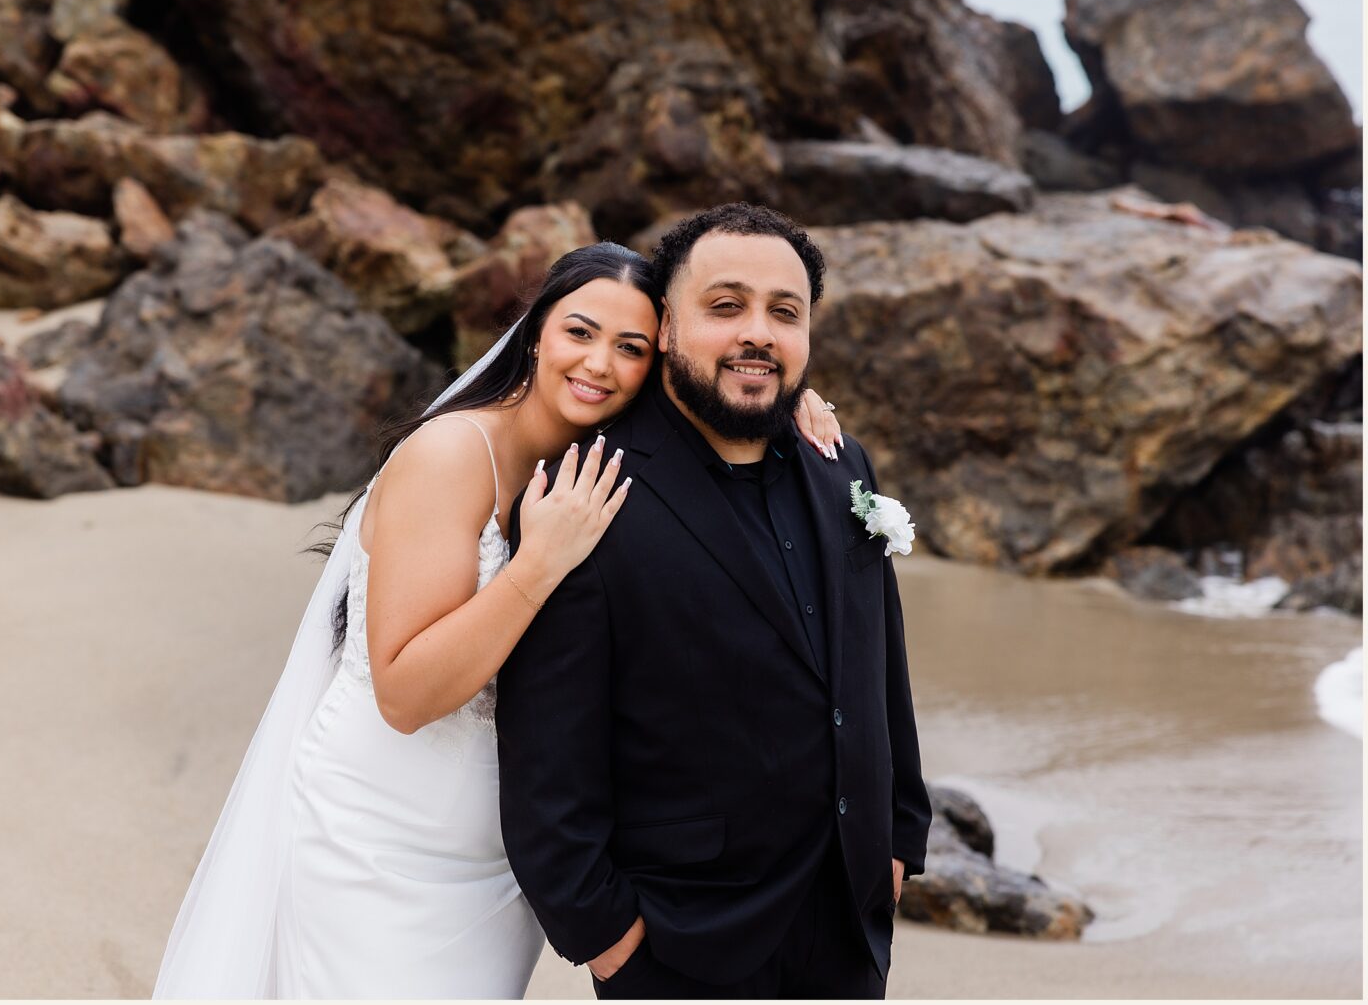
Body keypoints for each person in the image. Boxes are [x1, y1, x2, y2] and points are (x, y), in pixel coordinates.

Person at [154, 240, 850, 998]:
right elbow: (405, 695)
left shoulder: (603, 454)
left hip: (499, 852)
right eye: (578, 333)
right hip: (380, 829)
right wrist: (536, 567)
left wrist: (788, 403)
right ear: (536, 333)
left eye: (631, 348)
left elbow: (719, 395)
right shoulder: (451, 453)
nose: (599, 365)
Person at [497, 204, 931, 999]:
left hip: (847, 918)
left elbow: (878, 661)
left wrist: (899, 834)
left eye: (784, 313)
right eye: (725, 307)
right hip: (679, 940)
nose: (756, 333)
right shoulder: (590, 489)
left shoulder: (842, 462)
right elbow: (544, 748)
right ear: (664, 326)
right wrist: (602, 932)